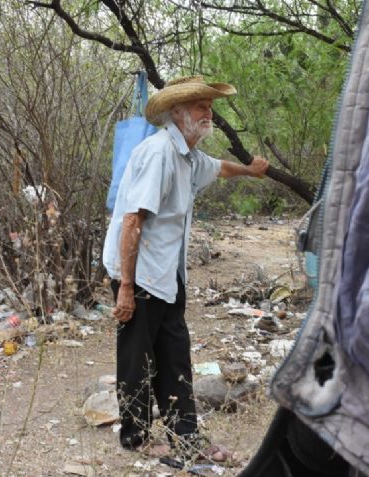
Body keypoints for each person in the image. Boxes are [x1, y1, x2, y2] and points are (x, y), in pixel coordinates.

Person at [101, 75, 269, 462]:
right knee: (137, 358)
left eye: (209, 106)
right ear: (177, 114)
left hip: (167, 274)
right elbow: (132, 221)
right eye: (199, 106)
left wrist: (250, 170)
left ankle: (186, 435)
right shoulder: (159, 153)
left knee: (174, 353)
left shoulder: (190, 155)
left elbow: (220, 168)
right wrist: (125, 287)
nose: (207, 112)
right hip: (139, 273)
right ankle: (136, 437)